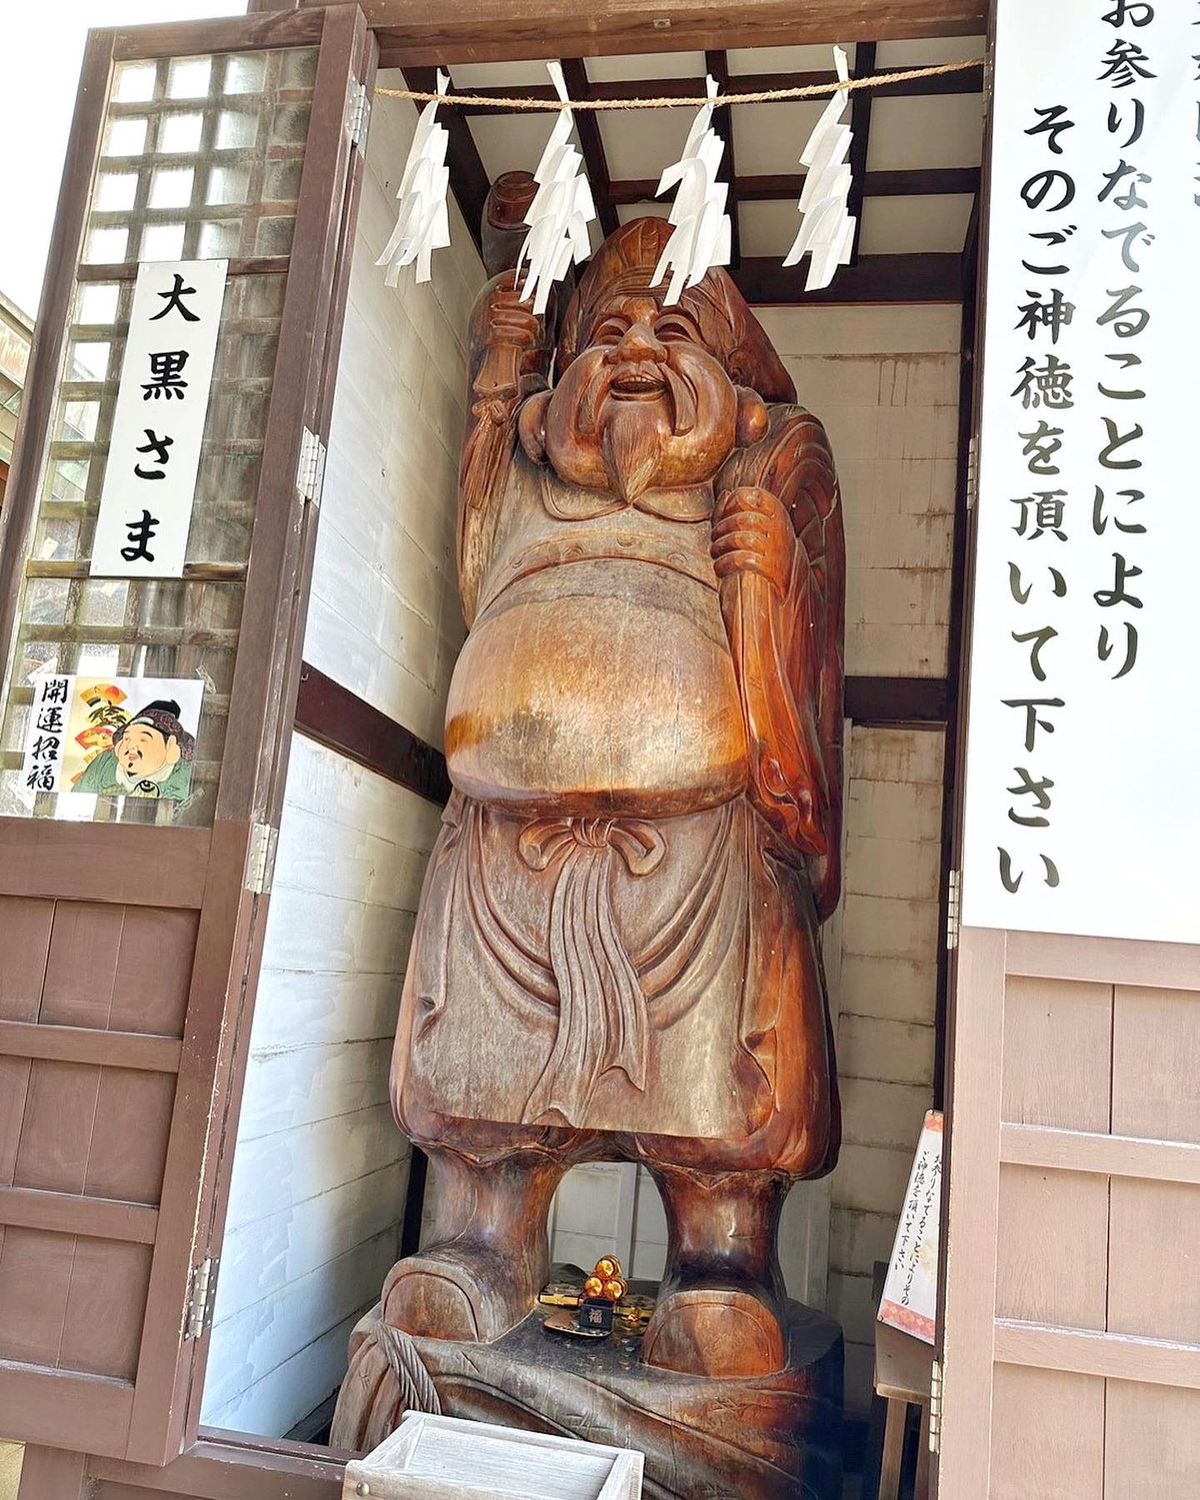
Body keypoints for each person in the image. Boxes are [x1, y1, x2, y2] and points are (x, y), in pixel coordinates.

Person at [75, 697, 195, 800]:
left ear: (169, 747)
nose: (131, 747)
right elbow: (79, 797)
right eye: (127, 738)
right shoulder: (105, 763)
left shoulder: (183, 773)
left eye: (143, 740)